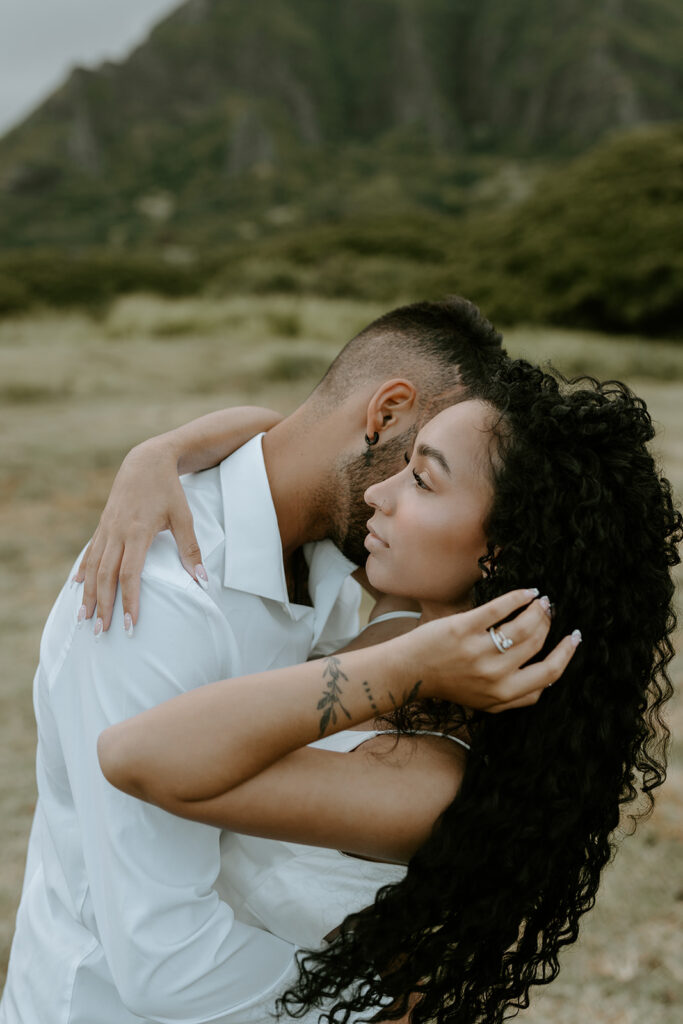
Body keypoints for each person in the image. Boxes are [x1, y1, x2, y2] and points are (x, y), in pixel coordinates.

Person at [93, 360, 681, 1024]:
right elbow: (288, 438)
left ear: (502, 556)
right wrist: (156, 455)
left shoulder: (424, 781)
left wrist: (403, 669)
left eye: (422, 480)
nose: (381, 492)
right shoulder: (410, 608)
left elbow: (133, 754)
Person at [0, 297, 514, 1024]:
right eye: (422, 466)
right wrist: (383, 1006)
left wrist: (166, 448)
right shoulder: (153, 595)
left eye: (427, 482)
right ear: (387, 413)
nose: (388, 495)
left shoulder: (336, 554)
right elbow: (161, 962)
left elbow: (277, 437)